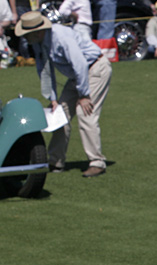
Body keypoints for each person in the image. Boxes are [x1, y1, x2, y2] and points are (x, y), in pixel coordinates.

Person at [16, 11, 112, 178]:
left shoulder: (61, 37)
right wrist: (52, 98)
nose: (25, 38)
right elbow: (44, 70)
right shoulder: (38, 42)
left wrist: (83, 95)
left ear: (38, 32)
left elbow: (80, 63)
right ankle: (55, 162)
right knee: (59, 114)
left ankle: (97, 162)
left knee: (85, 112)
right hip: (78, 75)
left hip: (95, 68)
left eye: (27, 34)